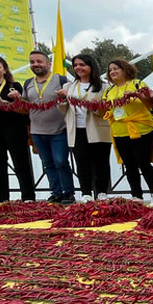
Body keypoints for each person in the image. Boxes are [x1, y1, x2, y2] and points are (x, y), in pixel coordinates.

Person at [10, 51, 74, 204]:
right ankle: (56, 193)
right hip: (37, 132)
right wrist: (16, 101)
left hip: (59, 130)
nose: (35, 64)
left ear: (48, 64)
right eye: (32, 62)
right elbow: (25, 109)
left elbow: (72, 103)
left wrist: (65, 96)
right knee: (48, 164)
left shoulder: (61, 80)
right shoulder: (28, 83)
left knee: (61, 162)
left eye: (39, 61)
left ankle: (68, 193)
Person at [104, 59, 153, 205]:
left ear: (125, 69)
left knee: (144, 163)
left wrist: (138, 95)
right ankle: (136, 195)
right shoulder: (109, 90)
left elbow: (152, 103)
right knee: (129, 165)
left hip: (141, 129)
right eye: (110, 69)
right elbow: (103, 110)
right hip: (119, 131)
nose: (113, 72)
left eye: (116, 68)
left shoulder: (138, 84)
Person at [0, 56, 36, 203]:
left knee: (20, 161)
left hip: (13, 126)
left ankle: (28, 196)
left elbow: (21, 107)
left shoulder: (14, 85)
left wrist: (3, 102)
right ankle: (1, 196)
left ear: (4, 69)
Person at [57, 54, 113, 201]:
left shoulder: (105, 86)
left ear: (91, 66)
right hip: (77, 129)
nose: (78, 68)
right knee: (81, 162)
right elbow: (64, 110)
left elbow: (107, 111)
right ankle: (86, 193)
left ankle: (102, 192)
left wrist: (96, 106)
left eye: (82, 64)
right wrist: (62, 99)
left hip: (98, 128)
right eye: (76, 65)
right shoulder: (68, 87)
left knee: (101, 162)